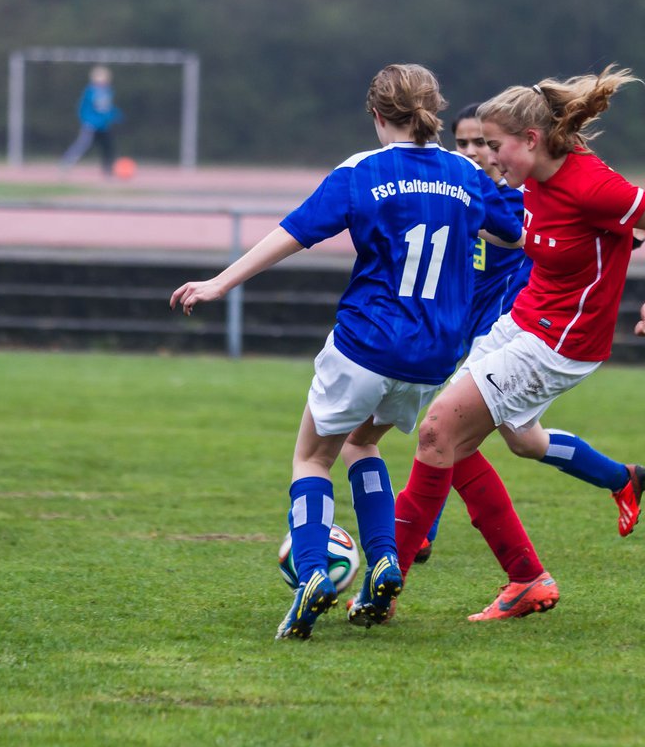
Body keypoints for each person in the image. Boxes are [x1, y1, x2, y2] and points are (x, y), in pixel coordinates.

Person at [168, 63, 523, 639]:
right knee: (363, 444)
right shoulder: (466, 173)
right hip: (433, 356)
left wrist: (220, 283)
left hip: (369, 341)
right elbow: (516, 233)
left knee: (312, 457)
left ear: (378, 115)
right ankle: (383, 559)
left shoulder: (363, 172)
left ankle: (312, 571)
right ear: (432, 111)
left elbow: (294, 232)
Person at [390, 64, 645, 622]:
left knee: (440, 429)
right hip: (522, 323)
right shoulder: (531, 179)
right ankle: (528, 575)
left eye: (493, 145)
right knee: (480, 442)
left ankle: (386, 583)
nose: (487, 156)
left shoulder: (591, 184)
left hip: (561, 343)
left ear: (530, 140)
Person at [405, 103, 645, 566]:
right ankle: (619, 477)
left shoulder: (523, 192)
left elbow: (597, 215)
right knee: (523, 441)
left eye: (484, 143)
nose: (474, 152)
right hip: (467, 322)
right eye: (463, 143)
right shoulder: (465, 191)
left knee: (445, 429)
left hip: (518, 328)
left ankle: (420, 535)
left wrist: (627, 232)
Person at [60, 66, 123, 176]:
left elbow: (107, 109)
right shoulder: (90, 91)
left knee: (108, 147)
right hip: (91, 125)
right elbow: (84, 108)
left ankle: (108, 170)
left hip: (103, 126)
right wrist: (86, 120)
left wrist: (115, 115)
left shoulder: (108, 91)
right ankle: (67, 162)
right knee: (82, 145)